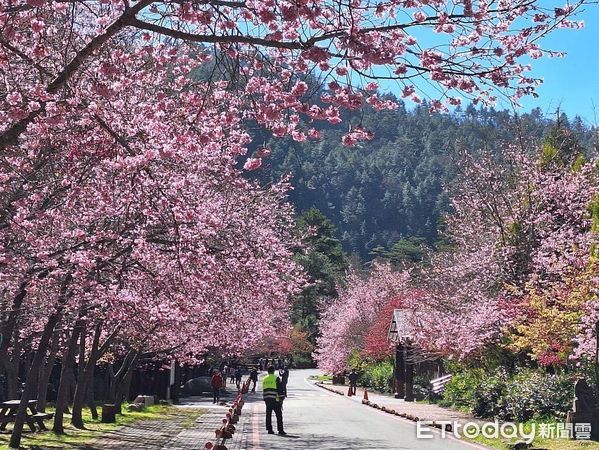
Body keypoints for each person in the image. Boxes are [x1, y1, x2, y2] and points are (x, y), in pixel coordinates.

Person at [262, 366, 286, 435]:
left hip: (267, 398)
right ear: (273, 371)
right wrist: (282, 398)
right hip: (275, 399)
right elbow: (280, 389)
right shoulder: (276, 378)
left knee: (268, 414)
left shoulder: (264, 379)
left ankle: (269, 429)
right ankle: (280, 430)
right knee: (279, 415)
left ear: (268, 371)